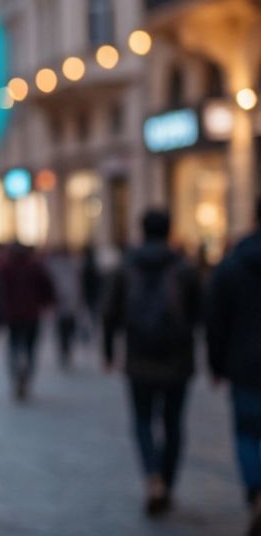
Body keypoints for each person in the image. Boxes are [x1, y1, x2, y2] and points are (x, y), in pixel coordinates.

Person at [103, 209, 203, 517]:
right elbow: (199, 315)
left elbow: (110, 315)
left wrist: (108, 353)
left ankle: (152, 476)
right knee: (173, 424)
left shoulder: (126, 267)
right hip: (177, 360)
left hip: (139, 359)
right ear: (169, 231)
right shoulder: (184, 268)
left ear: (142, 231)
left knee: (143, 420)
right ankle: (168, 482)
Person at [207, 198, 261, 534]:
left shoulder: (231, 264)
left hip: (243, 365)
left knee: (246, 434)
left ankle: (256, 492)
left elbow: (215, 321)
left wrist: (216, 365)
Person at [0, 241, 55, 400]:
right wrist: (47, 304)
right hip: (31, 314)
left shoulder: (5, 268)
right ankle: (26, 373)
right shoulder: (35, 267)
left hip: (13, 315)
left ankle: (17, 374)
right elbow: (47, 288)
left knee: (14, 346)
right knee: (30, 348)